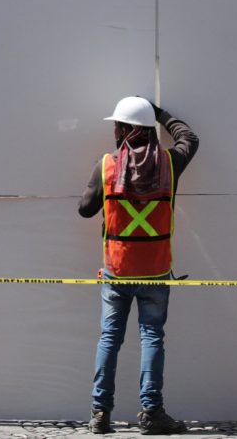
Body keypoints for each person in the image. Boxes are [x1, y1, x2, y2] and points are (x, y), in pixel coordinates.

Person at [78, 96, 198, 435]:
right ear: (149, 129)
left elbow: (85, 210)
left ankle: (100, 413)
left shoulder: (107, 166)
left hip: (116, 272)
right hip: (156, 272)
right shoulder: (170, 164)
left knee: (109, 339)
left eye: (116, 125)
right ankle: (151, 412)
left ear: (122, 130)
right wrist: (159, 113)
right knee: (152, 338)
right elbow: (190, 139)